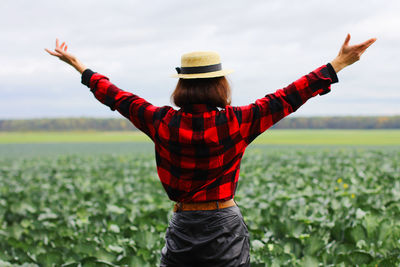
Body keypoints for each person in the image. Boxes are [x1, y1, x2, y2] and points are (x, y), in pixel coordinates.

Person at [45, 33, 376, 266]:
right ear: (221, 86)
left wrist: (80, 68)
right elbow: (288, 96)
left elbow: (117, 96)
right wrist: (337, 64)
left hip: (184, 222)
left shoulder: (160, 121)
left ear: (181, 86)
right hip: (224, 222)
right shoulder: (239, 121)